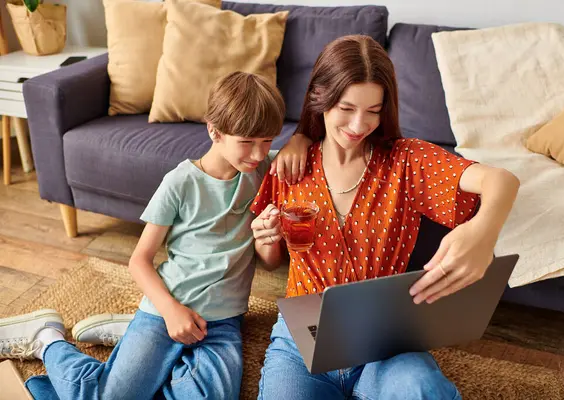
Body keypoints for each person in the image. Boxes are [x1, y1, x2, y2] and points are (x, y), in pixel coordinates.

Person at [0, 71, 312, 400]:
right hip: (168, 308)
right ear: (214, 131)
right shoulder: (180, 183)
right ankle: (48, 339)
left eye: (268, 141)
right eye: (247, 142)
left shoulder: (264, 172)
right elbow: (139, 261)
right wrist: (170, 310)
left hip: (223, 322)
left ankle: (133, 342)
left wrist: (300, 138)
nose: (258, 153)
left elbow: (270, 261)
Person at [250, 35, 520, 400]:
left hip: (384, 339)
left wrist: (483, 232)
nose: (359, 125)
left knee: (422, 390)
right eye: (346, 108)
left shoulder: (406, 162)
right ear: (321, 98)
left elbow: (501, 180)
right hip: (302, 334)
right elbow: (272, 261)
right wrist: (266, 241)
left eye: (373, 111)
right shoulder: (291, 166)